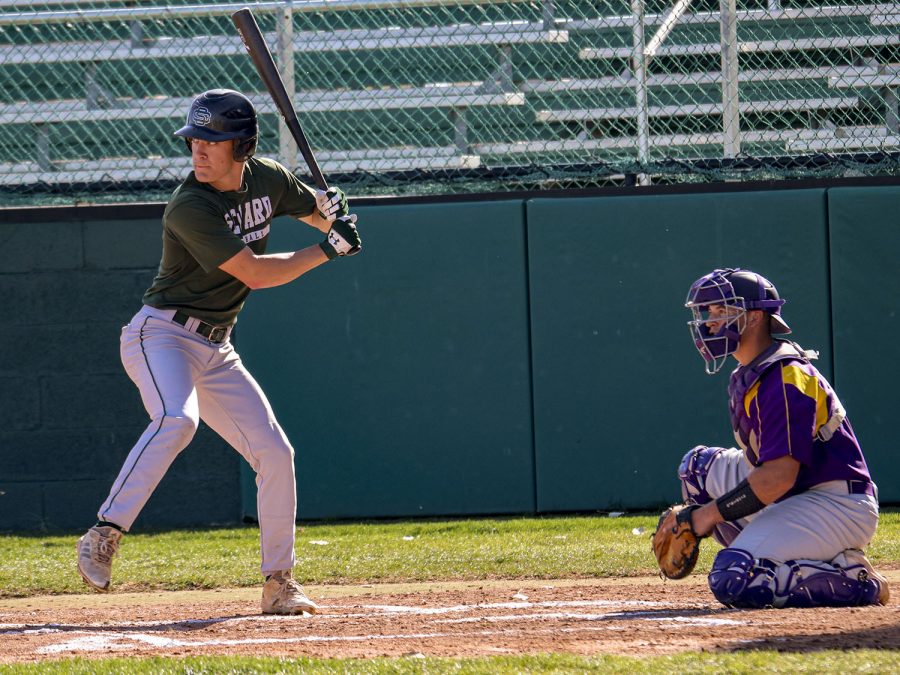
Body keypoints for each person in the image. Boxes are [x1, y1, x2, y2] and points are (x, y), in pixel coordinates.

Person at [76, 89, 361, 615]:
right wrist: (327, 249)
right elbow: (255, 272)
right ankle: (105, 532)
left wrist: (331, 215)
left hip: (217, 346)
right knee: (176, 420)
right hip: (161, 335)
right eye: (194, 141)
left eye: (212, 141)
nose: (199, 151)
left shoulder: (269, 176)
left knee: (275, 453)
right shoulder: (190, 205)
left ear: (243, 147)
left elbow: (322, 218)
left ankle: (279, 583)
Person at [673, 267, 888, 608]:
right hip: (795, 494)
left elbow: (777, 477)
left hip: (835, 504)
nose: (709, 322)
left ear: (755, 316)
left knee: (735, 580)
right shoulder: (750, 372)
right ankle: (778, 558)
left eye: (721, 310)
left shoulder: (787, 376)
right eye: (708, 312)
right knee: (696, 469)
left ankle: (853, 579)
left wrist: (706, 516)